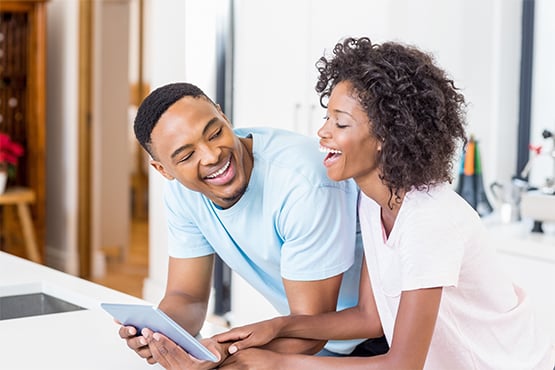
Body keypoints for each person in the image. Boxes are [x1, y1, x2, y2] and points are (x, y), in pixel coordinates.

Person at [146, 37, 555, 369]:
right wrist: (273, 328)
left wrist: (274, 364)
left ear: (386, 136)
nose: (321, 133)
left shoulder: (428, 220)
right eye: (327, 117)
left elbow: (402, 365)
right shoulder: (372, 203)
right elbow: (368, 318)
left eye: (340, 124)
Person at [121, 81, 381, 367]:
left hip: (373, 342)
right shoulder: (182, 193)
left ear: (224, 116)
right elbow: (187, 297)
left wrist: (218, 355)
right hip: (308, 344)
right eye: (186, 156)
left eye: (215, 133)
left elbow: (312, 329)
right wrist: (161, 335)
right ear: (163, 170)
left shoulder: (302, 182)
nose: (212, 156)